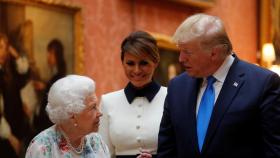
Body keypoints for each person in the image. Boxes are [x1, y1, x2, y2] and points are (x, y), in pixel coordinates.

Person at [157, 13, 280, 158]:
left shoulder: (262, 83)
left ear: (214, 53)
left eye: (187, 52)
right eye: (180, 51)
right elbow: (166, 149)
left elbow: (274, 150)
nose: (181, 59)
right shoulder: (177, 87)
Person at [99, 31, 167, 158]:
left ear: (156, 62)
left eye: (144, 63)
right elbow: (103, 153)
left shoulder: (172, 97)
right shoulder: (107, 101)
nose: (136, 70)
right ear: (122, 63)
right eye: (130, 63)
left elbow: (181, 147)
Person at [25, 75, 110, 157]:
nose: (100, 113)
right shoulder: (42, 146)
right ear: (73, 116)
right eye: (93, 107)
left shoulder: (96, 141)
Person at [0, 33, 31, 154]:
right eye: (0, 47)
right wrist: (10, 137)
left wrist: (16, 55)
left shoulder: (8, 70)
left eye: (5, 47)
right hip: (5, 134)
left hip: (15, 127)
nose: (3, 51)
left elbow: (26, 73)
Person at [33, 38, 67, 133]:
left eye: (51, 53)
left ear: (57, 55)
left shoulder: (59, 76)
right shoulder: (55, 74)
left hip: (49, 125)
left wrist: (45, 88)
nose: (48, 56)